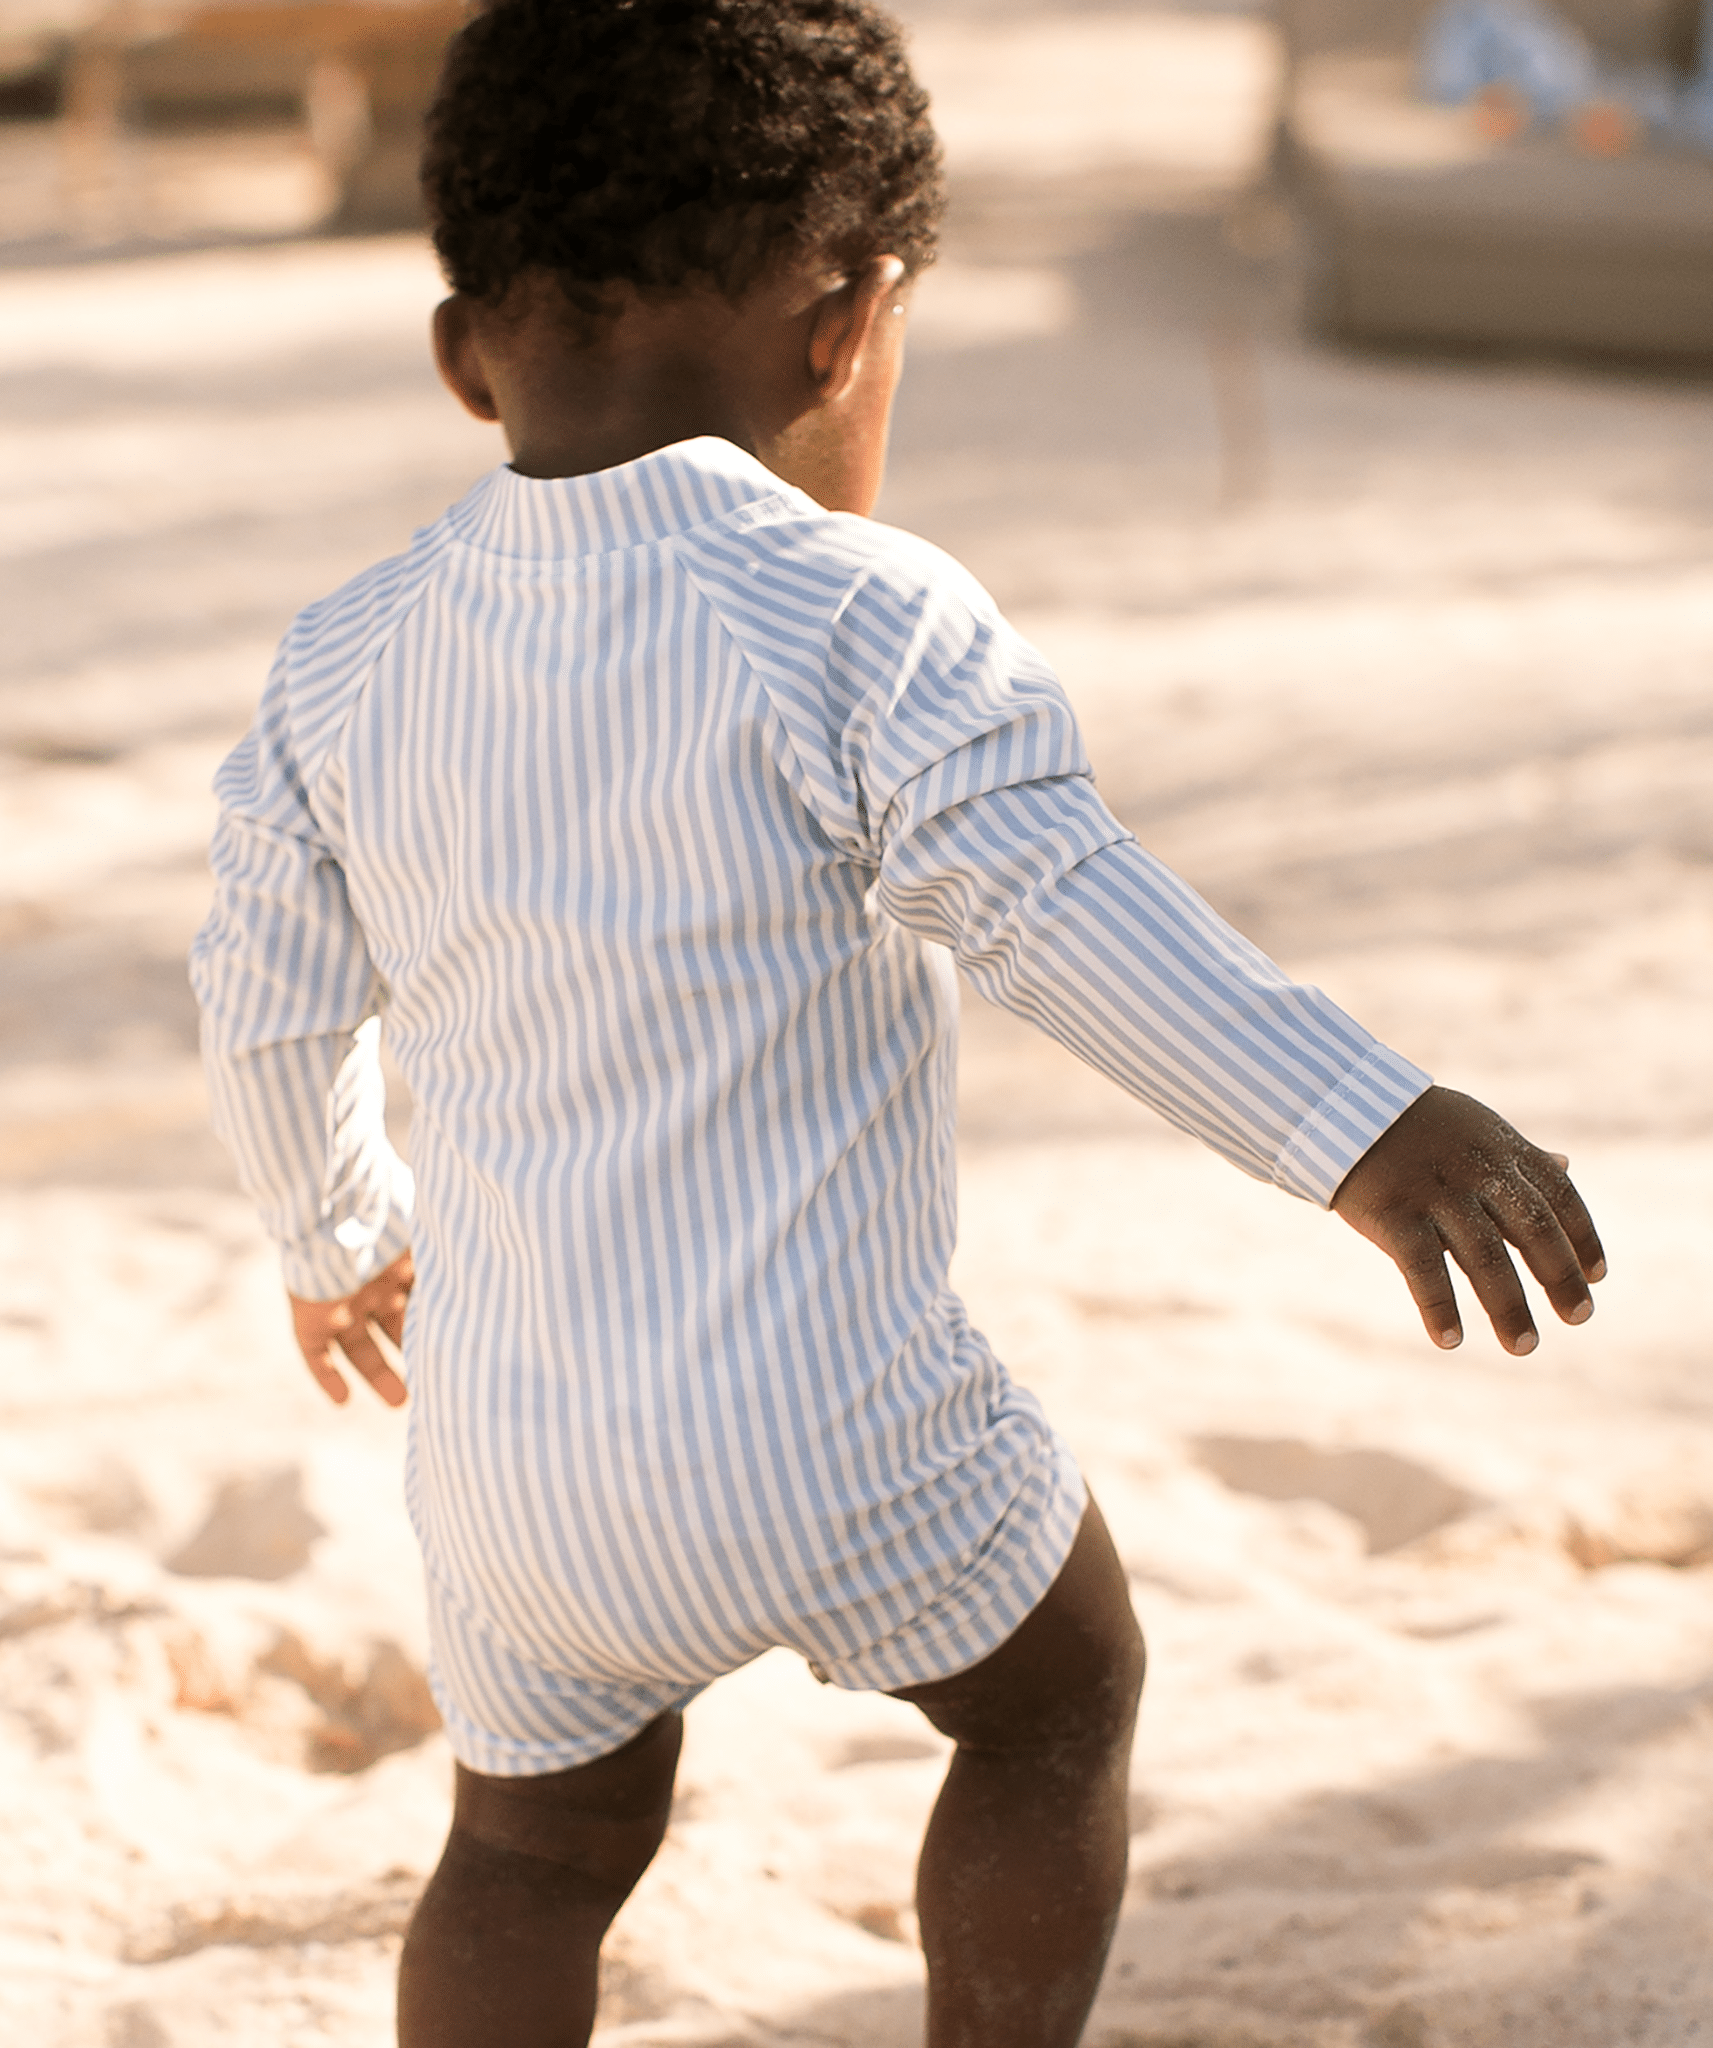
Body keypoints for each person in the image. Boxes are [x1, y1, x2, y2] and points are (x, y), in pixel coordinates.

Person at [189, 4, 1605, 2042]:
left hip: (514, 1473)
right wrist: (1367, 1136)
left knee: (527, 1856)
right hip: (839, 1428)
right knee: (1058, 1699)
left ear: (459, 354)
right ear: (852, 328)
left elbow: (259, 993)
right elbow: (1066, 915)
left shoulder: (340, 666)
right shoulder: (865, 619)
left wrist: (335, 1237)